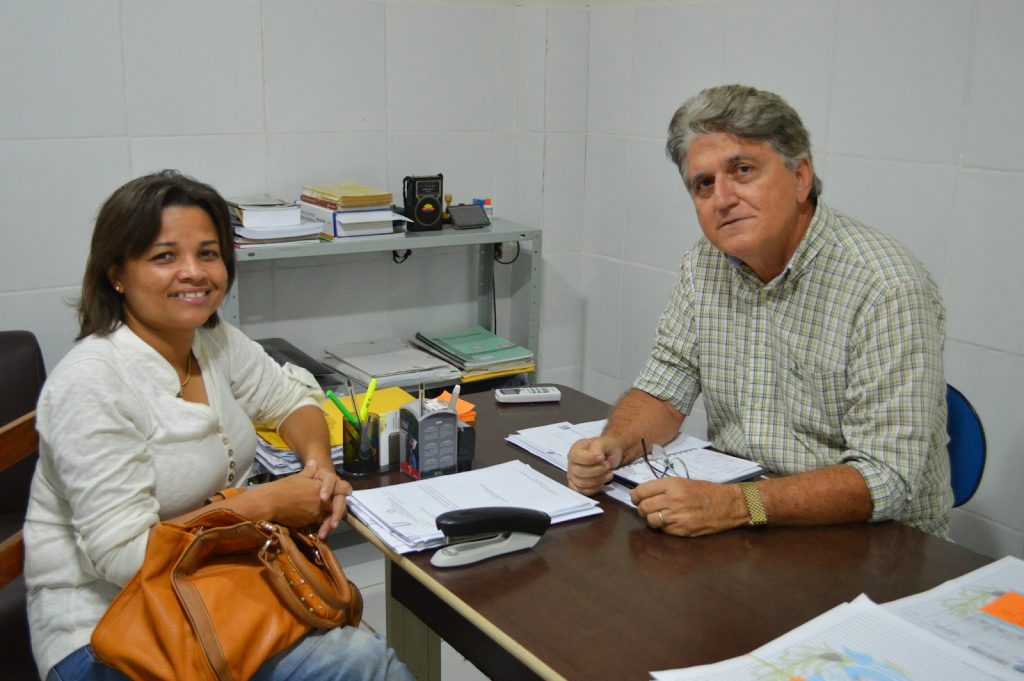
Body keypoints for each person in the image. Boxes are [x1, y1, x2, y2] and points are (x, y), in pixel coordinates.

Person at [24, 170, 413, 681]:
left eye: (208, 254)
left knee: (354, 641)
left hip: (209, 587)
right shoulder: (92, 383)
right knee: (361, 663)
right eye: (165, 256)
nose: (194, 273)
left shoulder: (211, 340)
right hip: (108, 629)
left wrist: (317, 468)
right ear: (116, 272)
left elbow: (291, 400)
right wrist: (264, 504)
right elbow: (122, 557)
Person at [567, 84, 951, 538]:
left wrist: (737, 503)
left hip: (875, 542)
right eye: (704, 184)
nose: (722, 198)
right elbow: (665, 387)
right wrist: (614, 445)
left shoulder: (885, 287)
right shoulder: (704, 264)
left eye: (743, 170)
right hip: (749, 521)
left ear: (800, 177)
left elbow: (886, 477)